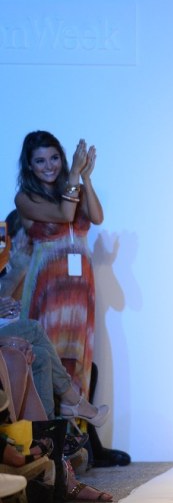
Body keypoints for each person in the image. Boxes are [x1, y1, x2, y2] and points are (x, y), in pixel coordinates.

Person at [14, 131, 103, 411]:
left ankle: (74, 444)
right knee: (47, 358)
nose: (49, 165)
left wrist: (86, 177)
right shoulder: (25, 198)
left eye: (54, 157)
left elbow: (98, 217)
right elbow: (65, 214)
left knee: (77, 360)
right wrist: (75, 175)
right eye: (40, 161)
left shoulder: (73, 186)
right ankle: (48, 437)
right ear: (29, 165)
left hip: (80, 289)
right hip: (49, 289)